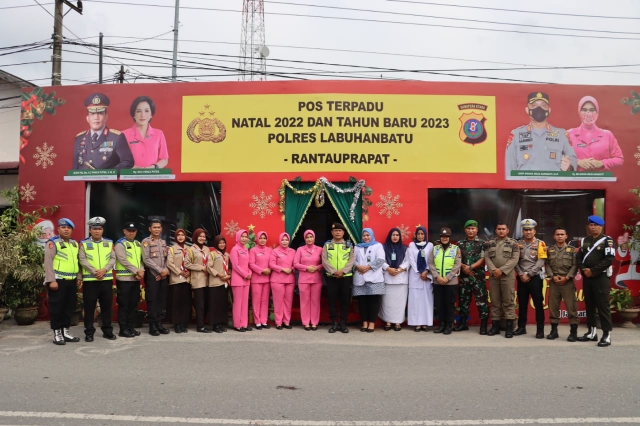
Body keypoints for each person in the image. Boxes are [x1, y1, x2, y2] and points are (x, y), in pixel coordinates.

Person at [505, 92, 577, 178]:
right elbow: (509, 171)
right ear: (527, 110)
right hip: (525, 190)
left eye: (543, 105)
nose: (539, 108)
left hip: (554, 189)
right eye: (534, 105)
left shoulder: (561, 134)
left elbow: (573, 160)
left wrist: (569, 168)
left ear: (549, 110)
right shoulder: (516, 135)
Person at [576, 215, 615, 347]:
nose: (593, 227)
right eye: (591, 225)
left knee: (603, 306)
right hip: (587, 277)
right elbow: (579, 257)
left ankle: (606, 334)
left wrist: (593, 271)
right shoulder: (585, 240)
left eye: (596, 225)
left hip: (600, 277)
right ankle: (591, 332)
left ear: (601, 226)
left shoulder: (607, 241)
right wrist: (583, 269)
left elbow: (609, 260)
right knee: (590, 305)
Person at [78, 216, 116, 342]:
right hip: (90, 281)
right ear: (90, 230)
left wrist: (104, 270)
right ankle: (89, 332)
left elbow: (113, 258)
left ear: (102, 230)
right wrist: (95, 272)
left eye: (99, 229)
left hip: (106, 279)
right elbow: (82, 260)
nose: (97, 231)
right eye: (94, 229)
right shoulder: (84, 243)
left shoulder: (109, 243)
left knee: (106, 307)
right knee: (89, 308)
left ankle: (107, 331)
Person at [44, 218, 81, 345]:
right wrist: (51, 280)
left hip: (71, 281)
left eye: (69, 228)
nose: (66, 230)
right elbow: (48, 263)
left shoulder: (74, 244)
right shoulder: (52, 243)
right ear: (58, 229)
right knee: (56, 308)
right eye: (63, 227)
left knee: (69, 308)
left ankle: (65, 331)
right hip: (58, 281)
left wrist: (79, 277)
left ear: (71, 230)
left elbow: (77, 262)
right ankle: (57, 333)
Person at [72, 93, 134, 170]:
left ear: (106, 117)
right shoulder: (79, 138)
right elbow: (75, 167)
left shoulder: (117, 137)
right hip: (86, 182)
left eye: (100, 113)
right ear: (87, 118)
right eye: (92, 114)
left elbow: (128, 162)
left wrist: (107, 174)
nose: (96, 118)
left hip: (108, 182)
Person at [568, 96, 624, 172]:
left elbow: (619, 159)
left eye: (592, 110)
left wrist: (602, 163)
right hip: (576, 181)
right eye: (584, 110)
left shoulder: (607, 135)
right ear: (579, 113)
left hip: (601, 182)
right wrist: (577, 162)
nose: (588, 113)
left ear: (597, 113)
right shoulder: (569, 134)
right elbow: (558, 157)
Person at [513, 219, 548, 338]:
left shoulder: (540, 243)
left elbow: (541, 261)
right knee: (522, 304)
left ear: (534, 231)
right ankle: (521, 327)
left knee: (538, 304)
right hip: (521, 277)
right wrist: (521, 273)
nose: (528, 232)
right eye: (526, 230)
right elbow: (515, 260)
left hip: (535, 277)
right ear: (523, 231)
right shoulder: (518, 244)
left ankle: (540, 329)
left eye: (530, 230)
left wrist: (530, 274)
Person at [484, 223, 520, 338]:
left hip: (507, 276)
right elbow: (487, 257)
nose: (501, 231)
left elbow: (515, 259)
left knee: (508, 301)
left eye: (503, 229)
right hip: (494, 276)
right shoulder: (490, 243)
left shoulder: (513, 243)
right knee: (495, 301)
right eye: (499, 229)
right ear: (495, 230)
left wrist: (502, 270)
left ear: (507, 230)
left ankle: (509, 328)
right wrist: (494, 270)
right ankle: (495, 327)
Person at [545, 227, 579, 342]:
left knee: (571, 307)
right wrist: (552, 276)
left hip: (567, 282)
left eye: (562, 234)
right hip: (554, 282)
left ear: (566, 236)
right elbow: (547, 264)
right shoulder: (549, 250)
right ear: (554, 236)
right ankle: (554, 331)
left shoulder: (572, 250)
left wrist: (567, 277)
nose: (560, 236)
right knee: (553, 307)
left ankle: (573, 332)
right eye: (557, 234)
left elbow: (575, 265)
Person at [455, 220, 489, 334]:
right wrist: (464, 267)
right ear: (465, 230)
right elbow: (456, 259)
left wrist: (470, 268)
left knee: (482, 302)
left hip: (478, 278)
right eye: (468, 229)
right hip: (464, 278)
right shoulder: (459, 244)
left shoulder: (482, 243)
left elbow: (483, 259)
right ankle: (463, 323)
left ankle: (483, 326)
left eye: (473, 228)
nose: (471, 231)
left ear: (477, 230)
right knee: (464, 301)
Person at [322, 222, 355, 334]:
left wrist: (343, 271)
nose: (337, 232)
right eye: (335, 231)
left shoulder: (348, 245)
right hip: (332, 277)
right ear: (332, 232)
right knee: (332, 301)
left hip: (346, 277)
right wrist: (333, 271)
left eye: (339, 230)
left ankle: (343, 323)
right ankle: (334, 323)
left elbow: (351, 260)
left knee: (345, 301)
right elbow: (324, 260)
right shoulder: (327, 245)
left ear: (343, 232)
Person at [429, 228, 462, 335]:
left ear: (449, 237)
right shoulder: (435, 249)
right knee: (439, 304)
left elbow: (457, 264)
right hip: (438, 282)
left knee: (449, 304)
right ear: (440, 237)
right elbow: (431, 264)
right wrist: (437, 276)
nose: (444, 238)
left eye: (446, 236)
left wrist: (448, 277)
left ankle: (449, 325)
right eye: (443, 236)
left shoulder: (456, 249)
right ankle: (441, 324)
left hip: (451, 282)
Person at [114, 221, 144, 338]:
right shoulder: (120, 244)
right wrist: (136, 271)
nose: (131, 233)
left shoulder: (137, 244)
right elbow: (123, 260)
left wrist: (141, 271)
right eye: (129, 231)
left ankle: (131, 327)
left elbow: (141, 260)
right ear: (124, 231)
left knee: (133, 305)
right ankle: (123, 329)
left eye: (133, 231)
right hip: (124, 280)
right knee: (124, 305)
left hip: (135, 279)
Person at [353, 228, 386, 333]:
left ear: (371, 235)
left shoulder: (378, 246)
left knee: (373, 302)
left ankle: (372, 323)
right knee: (362, 302)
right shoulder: (357, 247)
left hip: (374, 277)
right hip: (360, 277)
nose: (366, 237)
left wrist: (367, 267)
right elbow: (352, 260)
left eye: (368, 235)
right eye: (364, 236)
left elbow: (381, 259)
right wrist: (358, 266)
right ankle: (364, 323)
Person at [122, 96, 169, 169]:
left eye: (146, 111)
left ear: (151, 114)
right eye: (138, 111)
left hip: (152, 177)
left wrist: (153, 168)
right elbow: (119, 160)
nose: (142, 115)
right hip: (130, 177)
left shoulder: (159, 134)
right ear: (133, 114)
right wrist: (133, 168)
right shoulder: (123, 135)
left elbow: (164, 159)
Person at [142, 217, 170, 336]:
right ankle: (152, 325)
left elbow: (167, 259)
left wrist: (165, 271)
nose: (157, 229)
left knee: (161, 300)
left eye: (159, 227)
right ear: (150, 228)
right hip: (152, 275)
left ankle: (159, 323)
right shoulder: (145, 242)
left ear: (161, 229)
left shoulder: (163, 242)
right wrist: (159, 271)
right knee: (152, 300)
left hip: (163, 276)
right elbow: (146, 259)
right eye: (154, 227)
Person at [379, 228, 409, 331]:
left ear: (400, 237)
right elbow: (380, 260)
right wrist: (388, 268)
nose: (395, 237)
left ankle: (397, 322)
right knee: (387, 303)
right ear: (390, 236)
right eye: (393, 235)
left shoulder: (405, 248)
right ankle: (387, 322)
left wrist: (399, 269)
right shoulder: (383, 247)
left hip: (401, 280)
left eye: (397, 235)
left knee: (399, 303)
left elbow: (408, 261)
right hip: (387, 277)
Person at [294, 230, 323, 331]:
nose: (309, 239)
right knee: (304, 301)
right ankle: (306, 322)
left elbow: (324, 263)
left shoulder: (320, 249)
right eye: (307, 237)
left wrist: (317, 267)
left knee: (315, 301)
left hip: (316, 279)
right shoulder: (300, 250)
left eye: (311, 237)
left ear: (314, 238)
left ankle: (314, 322)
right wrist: (306, 268)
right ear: (304, 238)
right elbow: (296, 264)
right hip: (304, 279)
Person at [407, 226, 434, 332]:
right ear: (415, 235)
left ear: (425, 235)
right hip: (415, 276)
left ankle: (425, 323)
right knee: (415, 301)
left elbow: (431, 260)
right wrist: (418, 271)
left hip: (426, 276)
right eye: (418, 234)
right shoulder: (411, 245)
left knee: (426, 300)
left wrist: (426, 271)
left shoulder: (430, 245)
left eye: (422, 234)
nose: (420, 236)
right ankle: (417, 323)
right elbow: (411, 260)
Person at [185, 228, 212, 333]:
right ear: (196, 237)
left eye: (203, 236)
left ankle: (204, 323)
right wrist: (201, 267)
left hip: (207, 280)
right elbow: (187, 264)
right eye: (200, 236)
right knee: (199, 304)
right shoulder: (191, 249)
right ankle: (200, 326)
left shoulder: (207, 249)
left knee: (206, 303)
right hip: (197, 280)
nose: (202, 238)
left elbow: (209, 261)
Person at [269, 232, 296, 330]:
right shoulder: (275, 251)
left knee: (288, 301)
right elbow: (271, 264)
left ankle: (286, 321)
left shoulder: (293, 251)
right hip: (277, 279)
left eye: (286, 240)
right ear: (280, 240)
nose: (285, 242)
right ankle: (278, 322)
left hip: (290, 279)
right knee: (278, 302)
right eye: (283, 240)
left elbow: (296, 264)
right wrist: (283, 269)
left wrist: (292, 268)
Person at [166, 229, 191, 333]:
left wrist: (189, 271)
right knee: (176, 303)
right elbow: (169, 263)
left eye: (182, 235)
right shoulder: (171, 249)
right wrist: (180, 272)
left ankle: (183, 323)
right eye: (178, 235)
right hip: (176, 279)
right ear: (175, 237)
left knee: (185, 302)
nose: (181, 237)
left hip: (187, 279)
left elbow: (192, 262)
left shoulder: (189, 249)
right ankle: (177, 324)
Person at [206, 236, 231, 333]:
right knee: (215, 305)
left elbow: (230, 268)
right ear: (216, 244)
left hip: (224, 283)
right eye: (220, 243)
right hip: (215, 283)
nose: (222, 244)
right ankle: (215, 325)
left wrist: (228, 275)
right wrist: (219, 274)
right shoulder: (212, 254)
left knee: (222, 305)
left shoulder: (227, 255)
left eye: (223, 243)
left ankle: (220, 323)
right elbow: (209, 267)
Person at [230, 229, 252, 332]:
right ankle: (237, 324)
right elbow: (235, 265)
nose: (244, 238)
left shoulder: (246, 249)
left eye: (246, 237)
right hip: (238, 279)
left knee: (244, 303)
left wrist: (249, 273)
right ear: (238, 237)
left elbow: (248, 264)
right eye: (242, 236)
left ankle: (244, 324)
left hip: (246, 280)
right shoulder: (235, 249)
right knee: (238, 303)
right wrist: (245, 274)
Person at [249, 231, 272, 330]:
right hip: (256, 279)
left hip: (267, 280)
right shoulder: (253, 250)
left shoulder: (270, 250)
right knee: (256, 301)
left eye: (264, 238)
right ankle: (257, 321)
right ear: (257, 239)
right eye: (261, 238)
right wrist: (262, 271)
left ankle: (264, 321)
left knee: (264, 301)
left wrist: (270, 269)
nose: (262, 240)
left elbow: (272, 262)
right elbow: (251, 264)